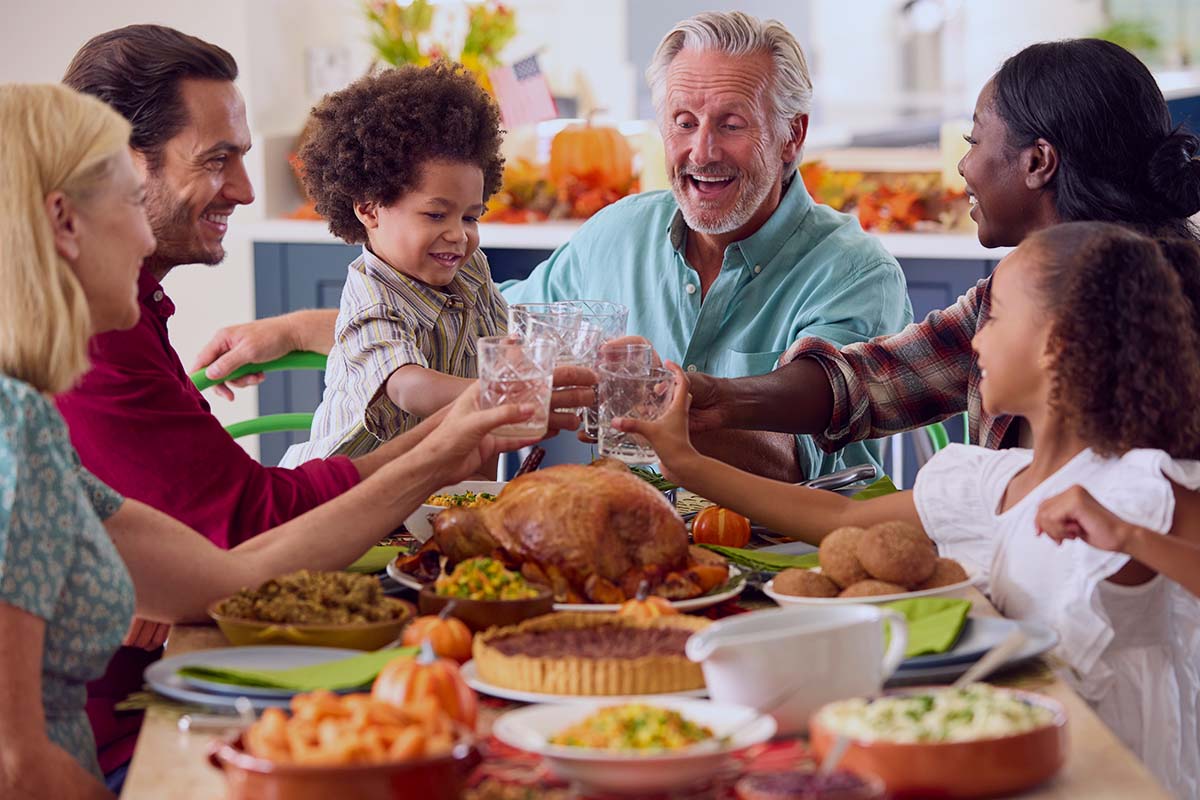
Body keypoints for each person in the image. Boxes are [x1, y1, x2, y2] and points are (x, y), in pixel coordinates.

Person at [52, 24, 591, 783]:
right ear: (113, 167)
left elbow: (183, 550)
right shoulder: (89, 336)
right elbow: (242, 538)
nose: (246, 186)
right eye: (218, 159)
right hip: (126, 747)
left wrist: (454, 440)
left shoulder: (123, 310)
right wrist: (442, 449)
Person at [194, 11, 913, 484]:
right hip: (620, 549)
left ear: (792, 136)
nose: (700, 150)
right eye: (683, 120)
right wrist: (289, 330)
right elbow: (480, 333)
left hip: (789, 570)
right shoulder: (619, 232)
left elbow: (815, 464)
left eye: (732, 124)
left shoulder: (853, 273)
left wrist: (647, 408)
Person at [618, 222, 1200, 798]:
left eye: (992, 317)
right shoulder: (986, 482)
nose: (975, 341)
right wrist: (686, 463)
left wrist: (1131, 536)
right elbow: (837, 520)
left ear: (1057, 345)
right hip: (1012, 765)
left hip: (1116, 780)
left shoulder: (1137, 486)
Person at [682, 37, 1200, 456]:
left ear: (1038, 162)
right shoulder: (1018, 290)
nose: (963, 167)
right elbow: (874, 381)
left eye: (974, 142)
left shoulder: (1143, 317)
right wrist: (719, 398)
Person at [280, 62, 508, 465]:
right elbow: (408, 388)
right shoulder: (370, 299)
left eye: (471, 217)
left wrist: (557, 366)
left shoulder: (470, 270)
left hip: (426, 484)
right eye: (436, 215)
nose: (459, 234)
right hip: (341, 495)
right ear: (370, 209)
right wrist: (509, 396)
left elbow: (505, 348)